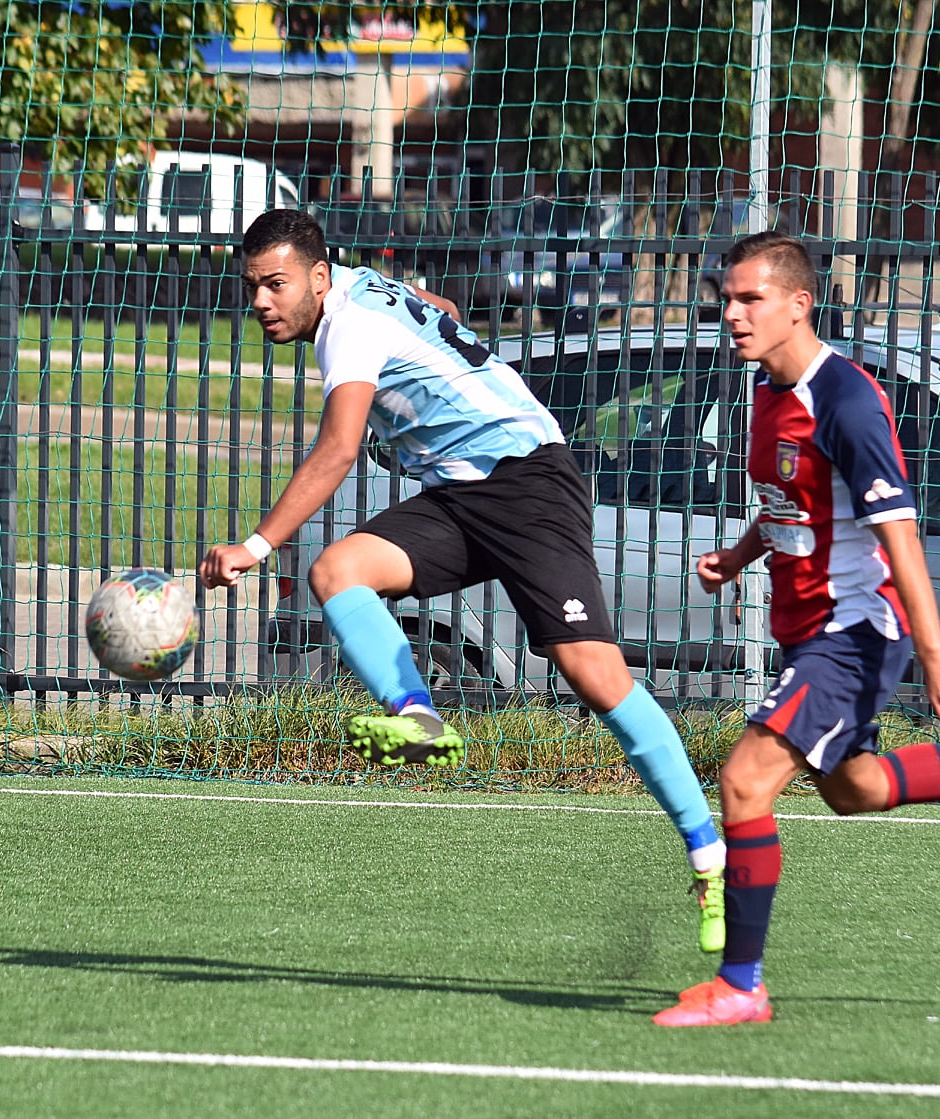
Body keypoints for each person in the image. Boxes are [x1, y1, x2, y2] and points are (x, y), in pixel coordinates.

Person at [198, 210, 728, 952]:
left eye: (275, 285)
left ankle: (711, 857)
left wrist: (255, 545)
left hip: (528, 483)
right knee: (337, 569)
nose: (261, 302)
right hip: (459, 493)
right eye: (252, 287)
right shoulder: (360, 288)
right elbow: (438, 310)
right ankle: (416, 712)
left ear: (318, 277)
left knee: (596, 677)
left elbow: (340, 446)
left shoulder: (349, 327)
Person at [652, 230, 940, 1028]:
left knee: (746, 780)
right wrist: (740, 553)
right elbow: (795, 502)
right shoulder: (763, 390)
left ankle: (742, 985)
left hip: (856, 630)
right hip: (810, 628)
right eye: (726, 298)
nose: (732, 313)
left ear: (799, 304)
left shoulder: (849, 402)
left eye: (750, 298)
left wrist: (933, 654)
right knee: (856, 788)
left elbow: (900, 536)